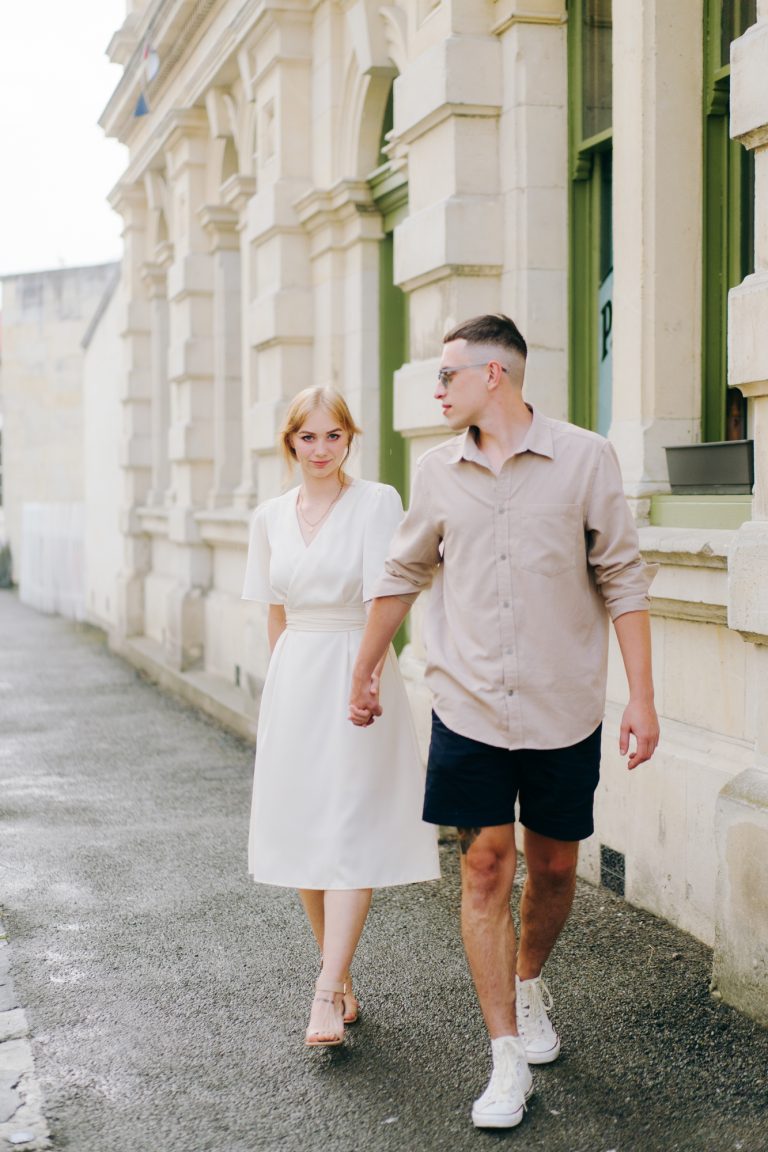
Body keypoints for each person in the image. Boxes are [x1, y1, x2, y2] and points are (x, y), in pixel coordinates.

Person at [349, 314, 659, 1128]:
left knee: (554, 868)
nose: (436, 387)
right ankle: (505, 1056)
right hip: (471, 704)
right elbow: (404, 569)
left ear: (497, 376)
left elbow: (623, 578)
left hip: (563, 708)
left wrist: (645, 699)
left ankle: (528, 987)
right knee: (485, 867)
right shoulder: (436, 471)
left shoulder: (586, 458)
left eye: (448, 374)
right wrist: (365, 665)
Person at [242, 385, 440, 1049]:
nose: (321, 449)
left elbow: (391, 591)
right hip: (296, 675)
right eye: (308, 436)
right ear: (290, 443)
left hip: (359, 669)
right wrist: (283, 684)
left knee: (351, 823)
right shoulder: (269, 517)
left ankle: (326, 990)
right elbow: (274, 606)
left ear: (349, 439)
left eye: (334, 436)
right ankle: (340, 970)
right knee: (304, 827)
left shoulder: (376, 502)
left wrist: (367, 674)